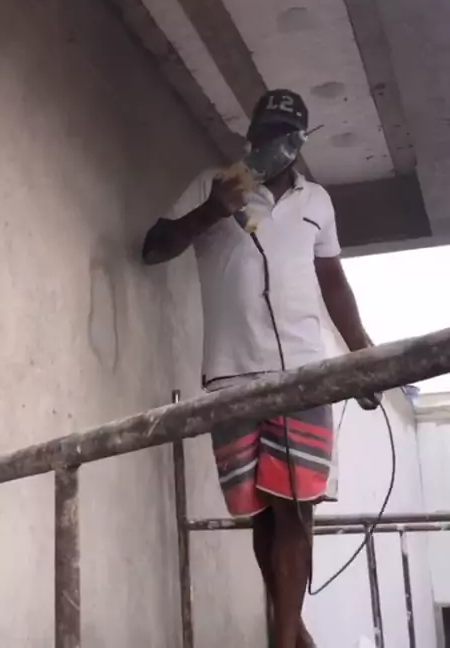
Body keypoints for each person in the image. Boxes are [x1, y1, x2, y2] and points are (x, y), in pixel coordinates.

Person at [142, 90, 375, 648]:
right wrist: (212, 210)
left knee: (296, 507)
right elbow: (153, 249)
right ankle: (292, 630)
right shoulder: (213, 184)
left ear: (300, 143)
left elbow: (333, 282)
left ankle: (284, 638)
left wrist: (363, 354)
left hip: (304, 374)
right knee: (263, 513)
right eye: (266, 133)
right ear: (250, 136)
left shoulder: (317, 200)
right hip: (231, 373)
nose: (275, 145)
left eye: (286, 136)